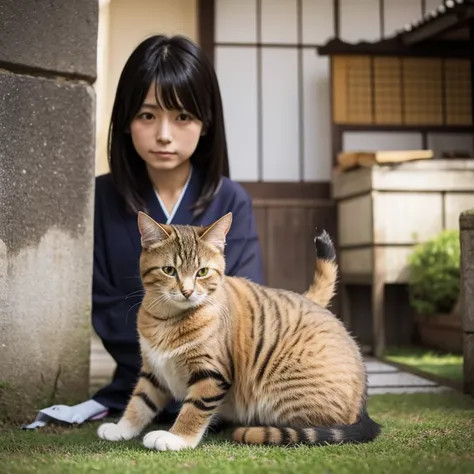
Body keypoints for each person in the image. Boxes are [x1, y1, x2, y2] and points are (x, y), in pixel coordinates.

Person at [22, 34, 264, 430]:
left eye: (182, 116)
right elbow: (106, 307)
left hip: (220, 392)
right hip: (137, 386)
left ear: (206, 123)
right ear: (125, 120)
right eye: (148, 115)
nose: (164, 134)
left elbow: (247, 304)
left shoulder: (232, 200)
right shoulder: (99, 195)